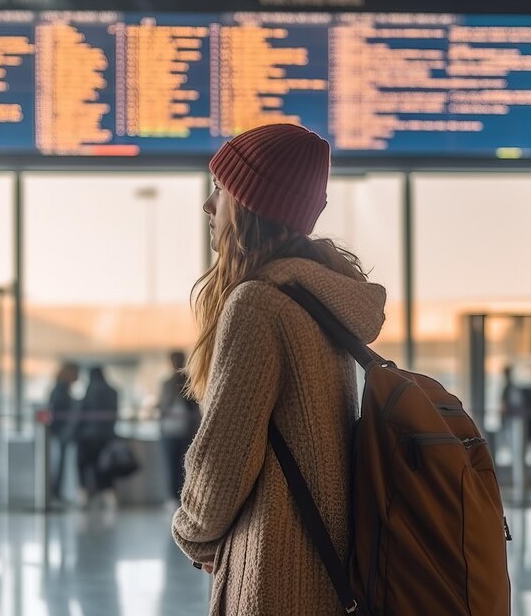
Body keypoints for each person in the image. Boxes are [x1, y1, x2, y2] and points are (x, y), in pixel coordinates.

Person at [171, 124, 386, 614]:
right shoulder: (318, 300)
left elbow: (222, 462)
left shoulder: (258, 305)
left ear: (250, 204)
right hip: (326, 572)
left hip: (275, 575)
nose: (208, 205)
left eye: (221, 189)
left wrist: (191, 531)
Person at [158, 350, 200, 507]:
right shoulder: (167, 384)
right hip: (170, 431)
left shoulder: (189, 382)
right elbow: (163, 406)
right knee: (171, 465)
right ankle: (172, 497)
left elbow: (194, 407)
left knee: (185, 466)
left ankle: (184, 497)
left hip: (185, 430)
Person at [75, 366, 119, 508]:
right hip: (106, 436)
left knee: (84, 465)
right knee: (105, 468)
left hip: (87, 437)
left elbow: (81, 414)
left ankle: (85, 494)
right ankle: (109, 496)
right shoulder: (112, 392)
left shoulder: (89, 391)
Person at [48, 362, 80, 502]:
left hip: (61, 433)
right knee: (58, 464)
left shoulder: (62, 389)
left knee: (60, 464)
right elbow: (57, 413)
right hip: (60, 433)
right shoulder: (61, 390)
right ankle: (55, 493)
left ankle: (57, 493)